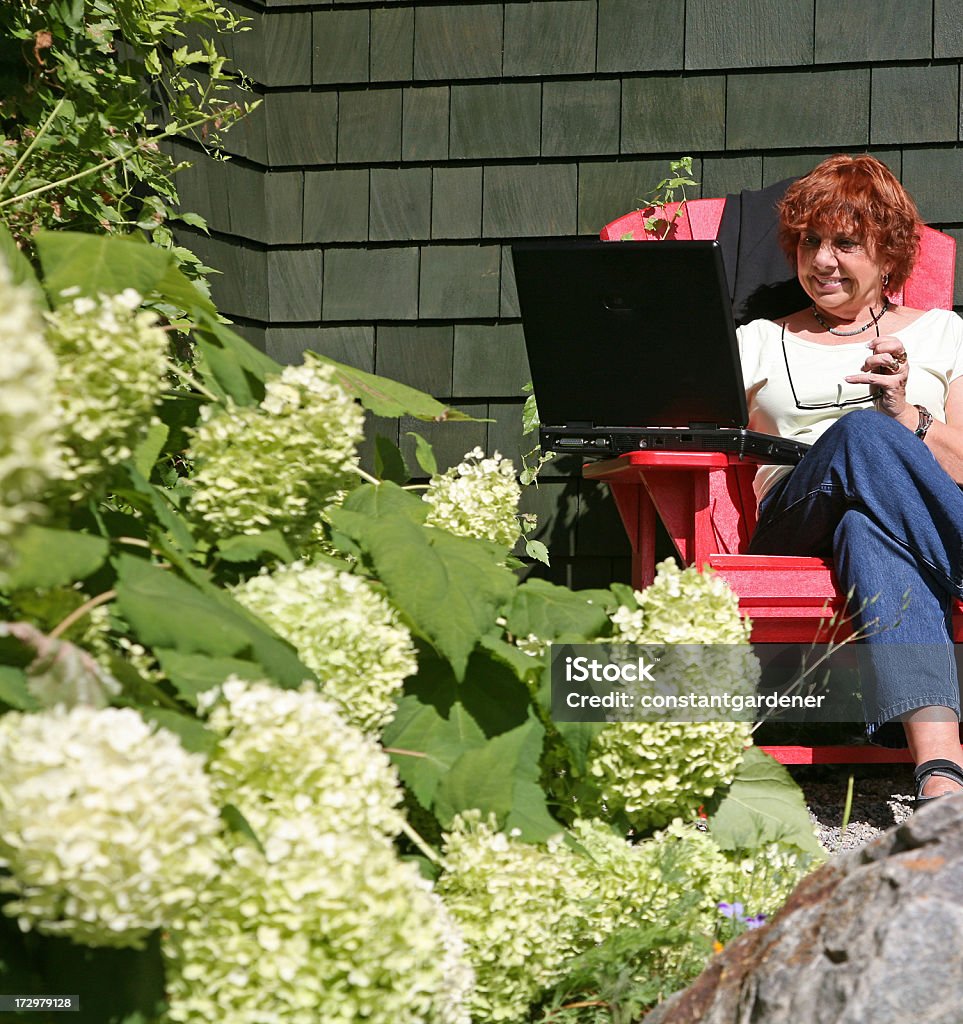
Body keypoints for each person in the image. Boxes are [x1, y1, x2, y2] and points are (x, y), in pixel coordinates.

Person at [737, 154, 963, 808]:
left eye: (844, 242)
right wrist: (875, 425)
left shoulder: (942, 334)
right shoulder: (755, 341)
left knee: (869, 529)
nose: (822, 260)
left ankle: (940, 773)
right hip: (792, 522)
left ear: (887, 255)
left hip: (900, 524)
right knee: (859, 433)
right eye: (810, 242)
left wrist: (906, 413)